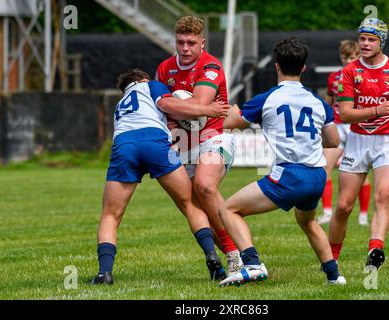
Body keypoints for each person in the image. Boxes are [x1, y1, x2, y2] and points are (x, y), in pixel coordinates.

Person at [218, 37, 346, 287]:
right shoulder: (318, 102)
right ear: (304, 68)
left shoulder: (267, 98)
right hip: (317, 176)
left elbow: (231, 123)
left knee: (228, 209)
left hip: (290, 175)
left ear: (277, 66)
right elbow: (332, 141)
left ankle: (252, 265)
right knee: (307, 221)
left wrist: (232, 111)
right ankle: (334, 276)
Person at [90, 69, 230, 284]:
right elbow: (169, 105)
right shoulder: (152, 85)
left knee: (111, 215)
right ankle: (213, 258)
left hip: (124, 146)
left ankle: (104, 273)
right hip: (155, 143)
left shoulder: (121, 105)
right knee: (189, 205)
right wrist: (204, 109)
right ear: (143, 79)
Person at [155, 16, 242, 275]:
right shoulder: (164, 68)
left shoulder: (210, 66)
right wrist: (176, 112)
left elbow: (195, 108)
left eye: (191, 43)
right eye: (180, 42)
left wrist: (176, 107)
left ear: (202, 43)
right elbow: (162, 106)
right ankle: (235, 252)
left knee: (205, 186)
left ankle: (242, 254)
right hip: (182, 146)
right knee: (199, 211)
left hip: (214, 137)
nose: (185, 48)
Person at [328, 18, 389, 270]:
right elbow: (344, 113)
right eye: (362, 39)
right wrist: (377, 109)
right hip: (358, 141)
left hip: (387, 142)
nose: (365, 44)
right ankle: (331, 260)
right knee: (344, 206)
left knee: (383, 196)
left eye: (371, 39)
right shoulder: (349, 71)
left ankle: (375, 251)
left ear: (381, 42)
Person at [317, 40, 372, 226]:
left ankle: (363, 215)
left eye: (354, 56)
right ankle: (326, 212)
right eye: (346, 56)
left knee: (362, 173)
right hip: (338, 127)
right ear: (341, 57)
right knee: (325, 169)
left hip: (356, 127)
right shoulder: (334, 77)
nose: (350, 60)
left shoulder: (365, 76)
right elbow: (328, 103)